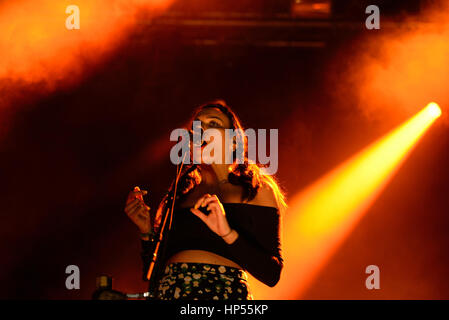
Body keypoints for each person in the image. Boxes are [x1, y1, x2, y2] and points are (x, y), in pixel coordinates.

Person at [124, 100, 287, 300]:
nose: (201, 130)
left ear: (234, 141)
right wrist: (146, 230)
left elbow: (271, 274)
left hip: (222, 294)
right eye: (197, 125)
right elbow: (153, 273)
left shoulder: (256, 189)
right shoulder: (179, 194)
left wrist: (227, 233)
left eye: (214, 124)